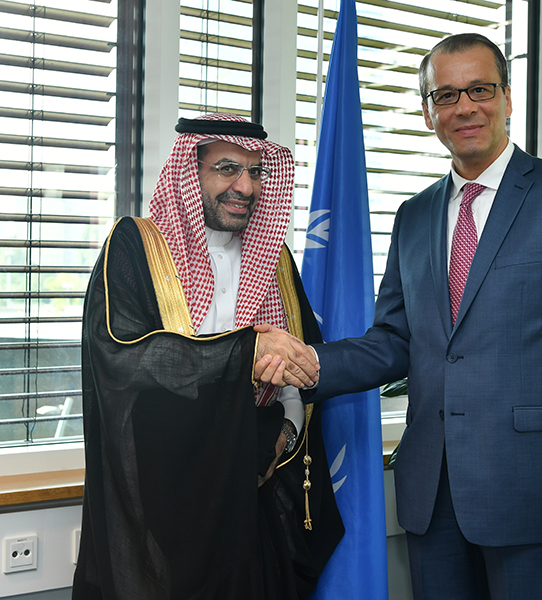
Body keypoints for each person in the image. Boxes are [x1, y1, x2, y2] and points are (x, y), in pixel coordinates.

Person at [256, 33, 542, 599]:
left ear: (507, 96)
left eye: (479, 89)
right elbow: (393, 339)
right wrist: (310, 361)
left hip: (531, 490)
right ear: (428, 112)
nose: (464, 107)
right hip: (432, 492)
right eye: (446, 95)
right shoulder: (414, 215)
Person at [73, 112, 342, 600]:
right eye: (226, 169)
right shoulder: (135, 246)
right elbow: (121, 358)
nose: (245, 186)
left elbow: (303, 367)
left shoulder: (275, 258)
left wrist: (279, 439)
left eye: (256, 172)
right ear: (189, 171)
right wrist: (244, 351)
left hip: (258, 493)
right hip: (169, 499)